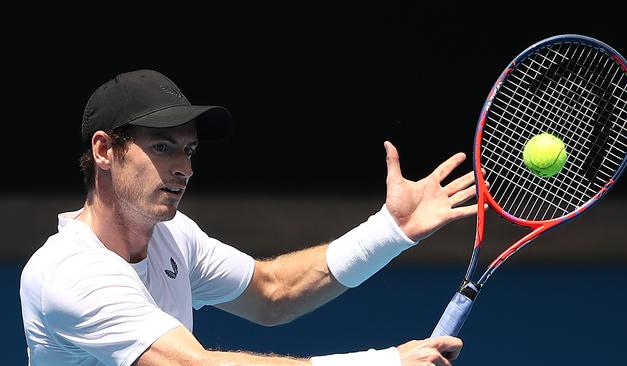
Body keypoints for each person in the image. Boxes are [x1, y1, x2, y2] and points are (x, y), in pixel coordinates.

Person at [20, 69, 479, 366]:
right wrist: (387, 363)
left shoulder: (173, 236)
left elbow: (272, 292)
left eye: (189, 149)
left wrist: (389, 231)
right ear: (104, 150)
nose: (185, 167)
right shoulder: (70, 272)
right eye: (162, 146)